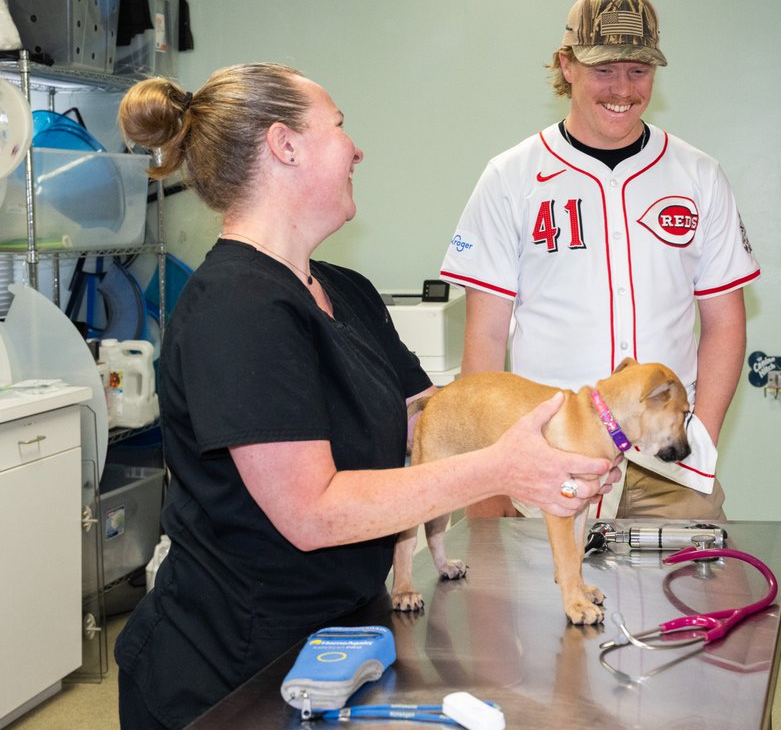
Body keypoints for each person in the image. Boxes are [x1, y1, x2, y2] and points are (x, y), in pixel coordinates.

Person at [112, 64, 618, 730]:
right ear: (283, 145)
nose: (356, 149)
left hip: (341, 642)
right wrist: (501, 468)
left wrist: (562, 442)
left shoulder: (343, 290)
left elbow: (427, 417)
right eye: (340, 126)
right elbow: (311, 511)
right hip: (233, 671)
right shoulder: (235, 310)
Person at [438, 0, 759, 520]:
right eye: (604, 69)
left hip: (668, 464)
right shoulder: (510, 177)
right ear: (566, 65)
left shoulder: (698, 174)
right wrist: (487, 476)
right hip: (549, 451)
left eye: (638, 71)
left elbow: (724, 323)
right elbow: (487, 335)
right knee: (542, 602)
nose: (623, 89)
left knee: (687, 599)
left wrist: (699, 435)